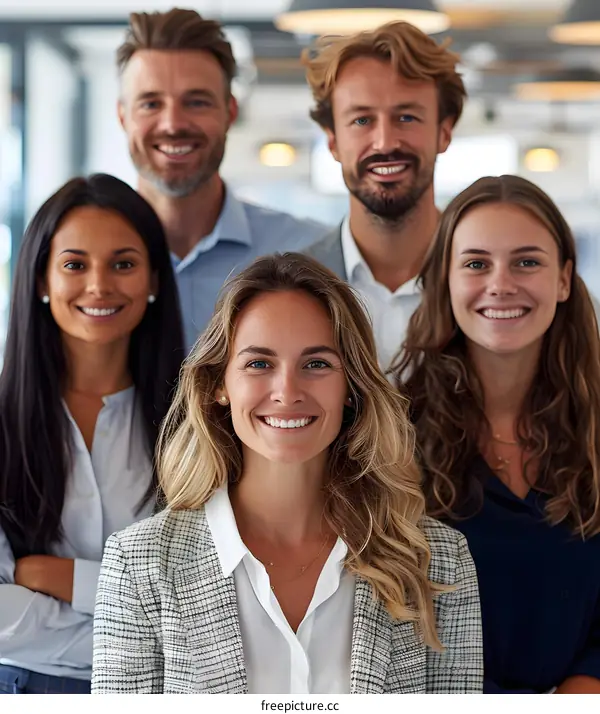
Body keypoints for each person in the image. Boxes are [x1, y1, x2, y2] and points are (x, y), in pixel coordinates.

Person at [91, 252, 483, 694]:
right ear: (220, 384)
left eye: (316, 364)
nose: (287, 392)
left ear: (350, 388)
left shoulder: (440, 561)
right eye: (259, 364)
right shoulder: (140, 563)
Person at [393, 174, 600, 694]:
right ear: (445, 279)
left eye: (527, 262)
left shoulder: (595, 428)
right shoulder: (390, 434)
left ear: (563, 279)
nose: (501, 283)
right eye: (476, 263)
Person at [0, 174, 184, 694]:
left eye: (123, 264)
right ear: (41, 280)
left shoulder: (198, 422)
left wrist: (64, 579)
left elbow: (204, 593)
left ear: (152, 280)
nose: (99, 286)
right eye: (74, 265)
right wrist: (139, 630)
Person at [116, 8, 330, 348]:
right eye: (151, 103)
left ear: (230, 112)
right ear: (122, 116)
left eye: (196, 102)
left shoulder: (310, 253)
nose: (172, 123)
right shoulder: (84, 264)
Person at [303, 22, 465, 370]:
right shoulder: (289, 287)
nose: (386, 142)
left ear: (444, 132)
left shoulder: (497, 285)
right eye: (362, 120)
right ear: (332, 141)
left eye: (406, 117)